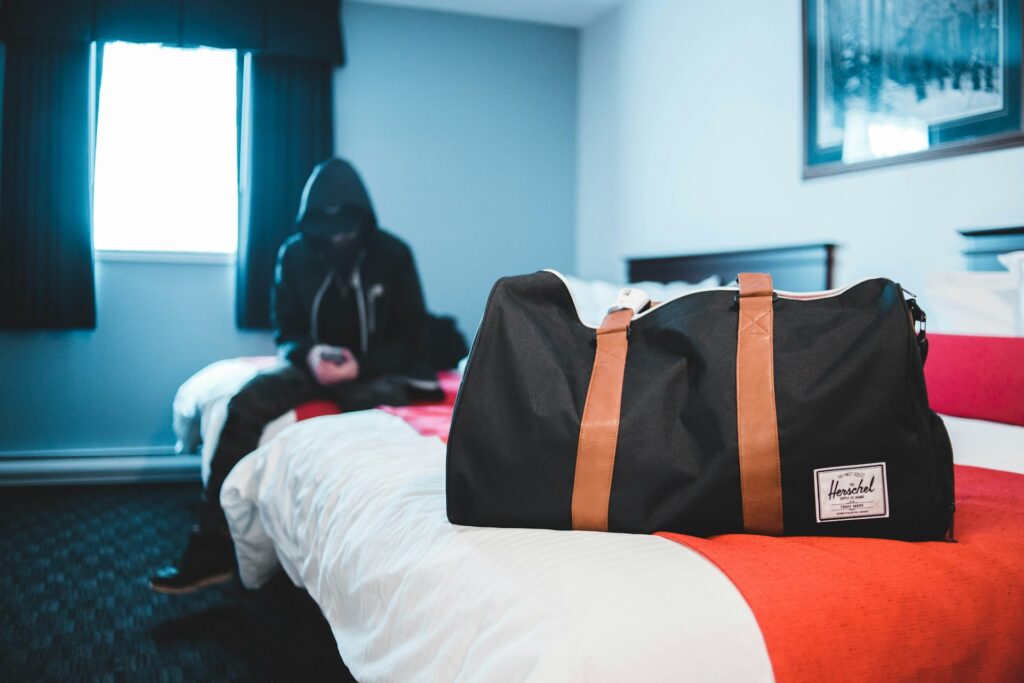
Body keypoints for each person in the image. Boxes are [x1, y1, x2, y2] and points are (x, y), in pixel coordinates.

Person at [151, 158, 434, 594]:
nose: (339, 238)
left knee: (378, 419)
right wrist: (309, 355)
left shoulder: (394, 255)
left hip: (375, 368)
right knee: (242, 406)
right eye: (330, 231)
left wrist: (364, 364)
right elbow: (286, 329)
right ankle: (211, 542)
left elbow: (413, 332)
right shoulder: (296, 254)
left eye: (348, 231)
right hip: (311, 366)